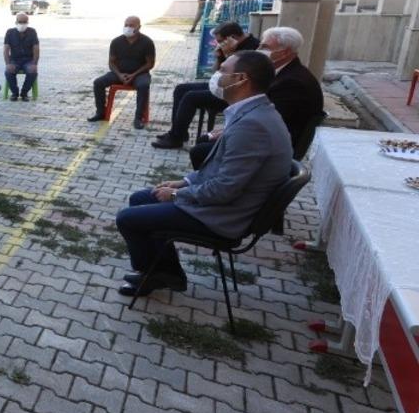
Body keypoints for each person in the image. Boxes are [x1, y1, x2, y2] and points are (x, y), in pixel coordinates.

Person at [115, 50, 292, 297]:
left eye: (224, 71)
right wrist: (183, 181)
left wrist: (178, 195)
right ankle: (165, 272)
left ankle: (156, 273)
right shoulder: (254, 112)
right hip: (226, 202)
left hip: (225, 214)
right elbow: (221, 170)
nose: (217, 75)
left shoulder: (253, 125)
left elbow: (224, 189)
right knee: (140, 198)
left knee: (128, 219)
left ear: (242, 79)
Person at [188, 26, 324, 168]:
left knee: (200, 151)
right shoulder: (283, 72)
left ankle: (211, 183)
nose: (259, 49)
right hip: (259, 133)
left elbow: (270, 120)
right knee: (204, 140)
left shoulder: (293, 82)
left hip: (269, 146)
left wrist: (230, 131)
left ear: (285, 53)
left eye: (265, 46)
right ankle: (203, 180)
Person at [151, 21, 259, 150]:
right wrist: (219, 58)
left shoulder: (252, 48)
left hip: (235, 93)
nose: (218, 44)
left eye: (220, 41)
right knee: (181, 89)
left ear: (232, 38)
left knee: (191, 97)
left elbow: (234, 78)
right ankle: (178, 133)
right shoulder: (228, 46)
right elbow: (216, 73)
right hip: (221, 84)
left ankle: (176, 139)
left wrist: (230, 54)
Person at [88, 16, 156, 129]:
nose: (128, 27)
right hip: (119, 73)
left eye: (131, 25)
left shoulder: (147, 42)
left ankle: (138, 118)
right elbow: (111, 62)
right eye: (126, 25)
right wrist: (119, 74)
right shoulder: (116, 42)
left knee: (143, 85)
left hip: (139, 74)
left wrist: (133, 75)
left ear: (139, 27)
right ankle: (100, 113)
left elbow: (150, 64)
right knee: (98, 82)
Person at [2, 14, 40, 102]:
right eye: (20, 22)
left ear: (28, 22)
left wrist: (34, 63)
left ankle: (24, 93)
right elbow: (6, 49)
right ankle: (14, 93)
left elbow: (36, 49)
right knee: (9, 71)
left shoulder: (32, 32)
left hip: (28, 60)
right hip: (15, 60)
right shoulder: (10, 32)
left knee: (32, 70)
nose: (22, 24)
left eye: (25, 22)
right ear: (16, 22)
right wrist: (7, 63)